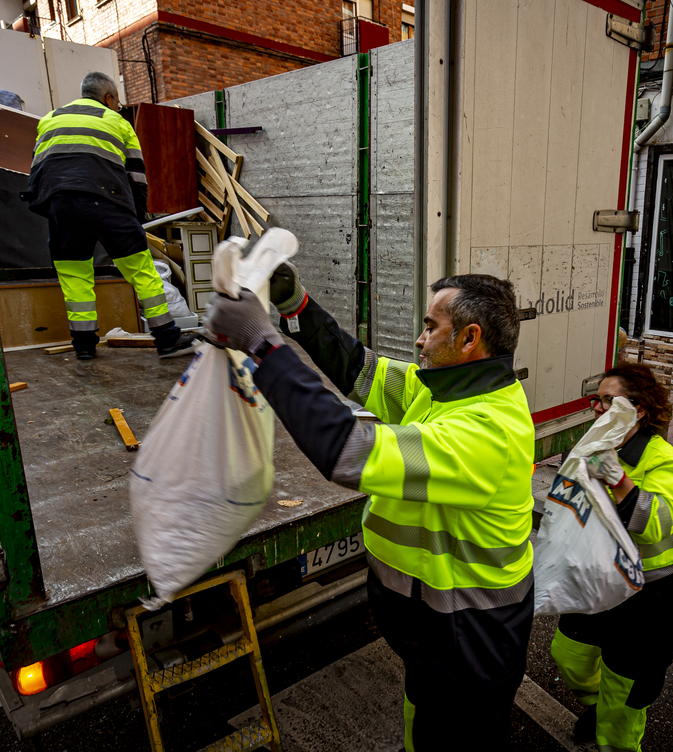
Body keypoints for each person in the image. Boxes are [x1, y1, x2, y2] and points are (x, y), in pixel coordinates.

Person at [204, 270, 535, 751]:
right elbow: (358, 367)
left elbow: (347, 449)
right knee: (422, 721)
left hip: (471, 645)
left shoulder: (488, 432)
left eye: (430, 326)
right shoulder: (440, 387)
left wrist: (261, 344)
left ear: (469, 339)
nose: (419, 341)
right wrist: (294, 303)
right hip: (434, 632)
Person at [550, 363, 673, 751]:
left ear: (639, 410)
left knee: (626, 685)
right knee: (569, 655)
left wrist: (618, 479)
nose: (598, 407)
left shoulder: (664, 461)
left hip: (649, 594)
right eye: (596, 399)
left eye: (609, 400)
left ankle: (614, 733)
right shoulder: (595, 446)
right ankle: (599, 707)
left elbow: (656, 522)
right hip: (598, 578)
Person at [23, 71, 190, 360]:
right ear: (109, 98)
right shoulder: (117, 122)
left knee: (74, 275)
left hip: (61, 203)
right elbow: (137, 175)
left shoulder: (50, 119)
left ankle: (85, 346)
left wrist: (49, 207)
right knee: (140, 269)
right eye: (117, 102)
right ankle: (167, 339)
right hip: (107, 200)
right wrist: (135, 218)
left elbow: (38, 170)